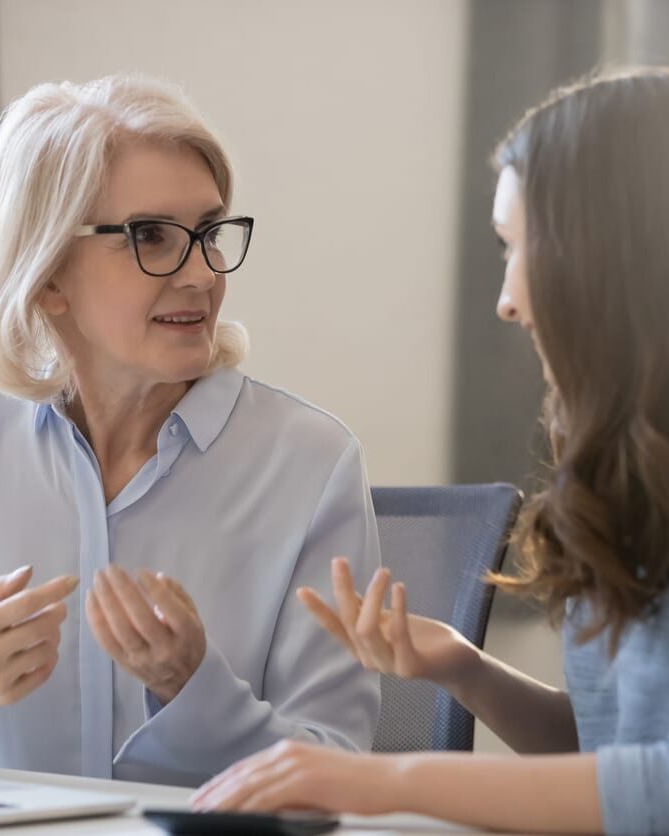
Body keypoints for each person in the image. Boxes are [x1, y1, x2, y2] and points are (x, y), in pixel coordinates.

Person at [0, 73, 380, 787]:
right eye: (151, 236)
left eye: (209, 232)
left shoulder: (313, 462)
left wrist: (194, 689)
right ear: (46, 273)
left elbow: (338, 771)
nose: (200, 274)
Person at [192, 67, 669, 834]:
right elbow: (609, 755)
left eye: (522, 248)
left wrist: (382, 779)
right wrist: (463, 669)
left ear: (613, 256)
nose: (507, 298)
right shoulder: (629, 468)